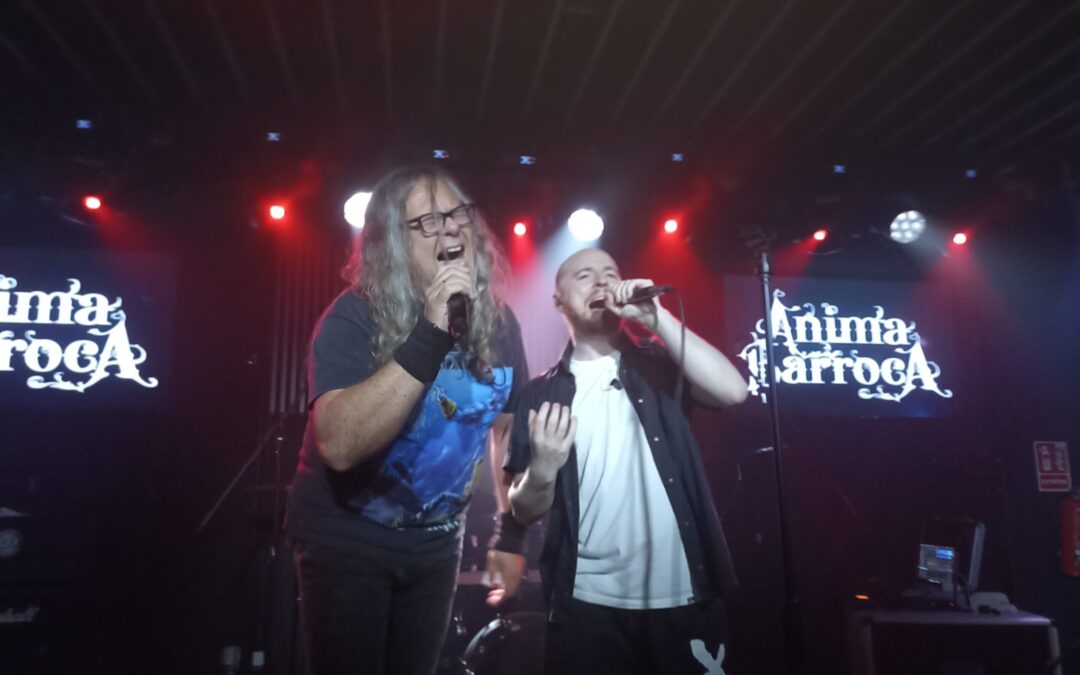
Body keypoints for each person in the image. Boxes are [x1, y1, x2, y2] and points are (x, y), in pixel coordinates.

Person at [285, 165, 529, 675]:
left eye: (458, 214)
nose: (451, 228)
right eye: (429, 221)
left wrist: (510, 534)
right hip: (349, 536)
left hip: (436, 542)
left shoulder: (500, 324)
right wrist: (431, 331)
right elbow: (339, 445)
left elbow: (504, 433)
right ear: (395, 244)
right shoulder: (353, 318)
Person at [505, 247, 748, 675]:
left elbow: (733, 392)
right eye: (584, 275)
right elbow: (523, 510)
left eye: (609, 273)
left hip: (681, 598)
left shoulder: (660, 365)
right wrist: (542, 469)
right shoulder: (539, 395)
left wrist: (658, 320)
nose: (601, 281)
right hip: (586, 607)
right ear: (558, 301)